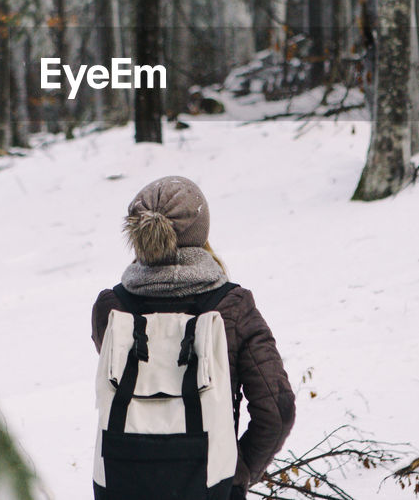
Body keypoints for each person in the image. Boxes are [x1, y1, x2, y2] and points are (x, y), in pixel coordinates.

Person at [92, 176, 295, 500]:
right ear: (200, 231)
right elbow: (278, 408)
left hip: (121, 480)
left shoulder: (112, 309)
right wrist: (237, 470)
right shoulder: (234, 308)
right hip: (210, 485)